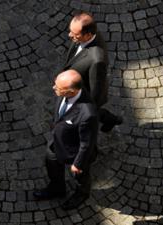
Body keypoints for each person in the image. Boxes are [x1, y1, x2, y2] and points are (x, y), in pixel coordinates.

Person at [33, 70, 99, 210]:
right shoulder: (65, 93)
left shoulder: (87, 114)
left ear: (71, 92)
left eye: (58, 88)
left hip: (74, 151)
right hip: (57, 143)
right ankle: (57, 188)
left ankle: (82, 194)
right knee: (51, 161)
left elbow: (87, 143)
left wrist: (78, 163)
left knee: (80, 177)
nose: (53, 88)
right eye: (55, 84)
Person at [62, 11, 122, 132]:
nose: (69, 35)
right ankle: (111, 119)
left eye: (74, 34)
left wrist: (87, 111)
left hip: (83, 95)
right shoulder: (83, 37)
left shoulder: (97, 60)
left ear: (88, 35)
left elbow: (96, 91)